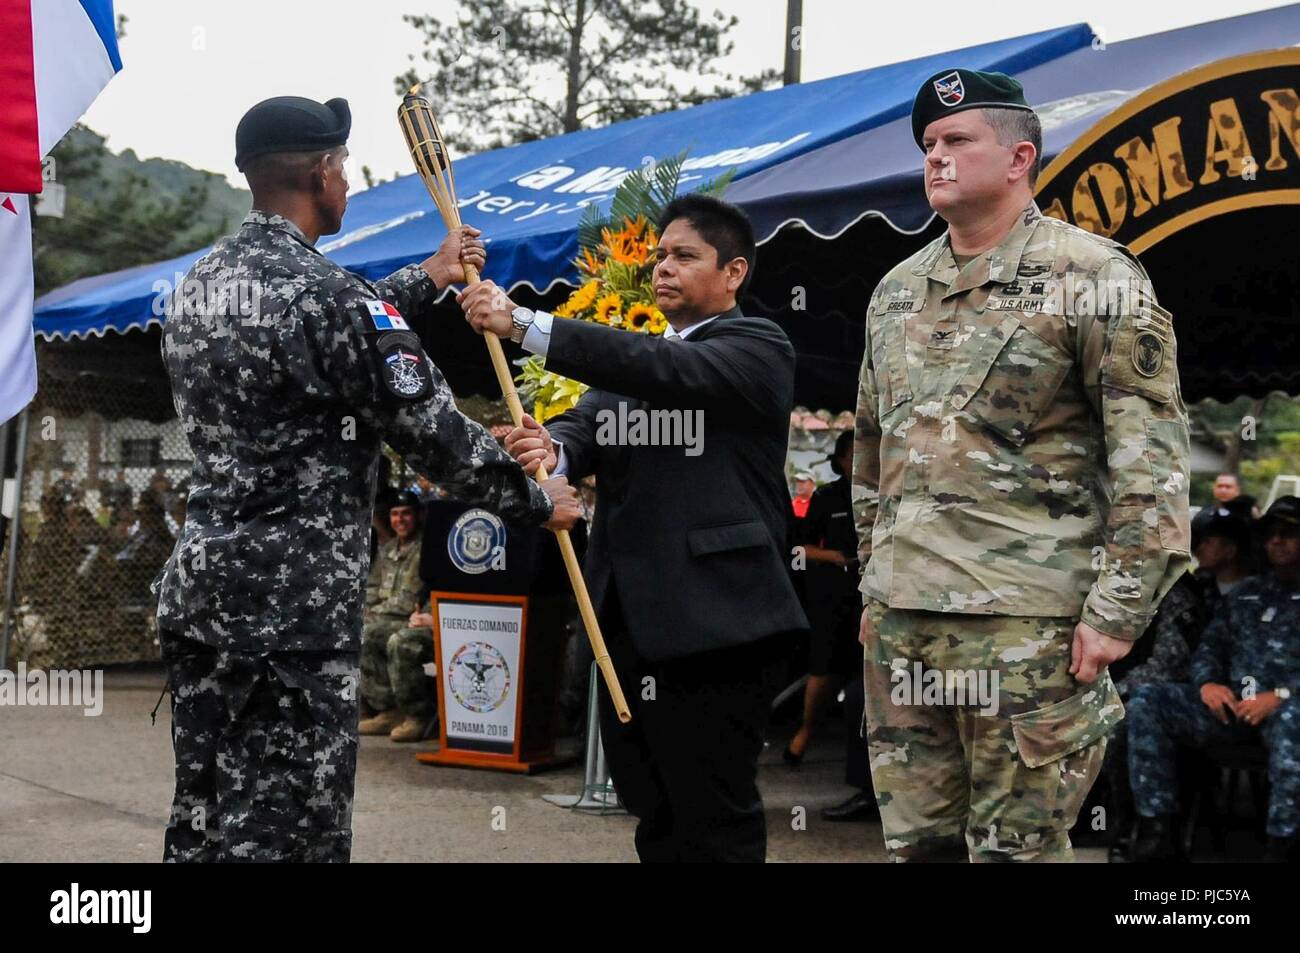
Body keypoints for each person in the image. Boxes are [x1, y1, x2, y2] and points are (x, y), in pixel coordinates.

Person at [154, 95, 579, 863]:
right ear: (321, 171)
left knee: (207, 813)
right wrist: (532, 498)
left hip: (202, 593)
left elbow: (318, 332)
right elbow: (433, 435)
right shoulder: (334, 301)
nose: (346, 181)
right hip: (293, 612)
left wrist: (426, 277)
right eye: (343, 166)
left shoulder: (196, 291)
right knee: (292, 831)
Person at [852, 69, 1191, 862]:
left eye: (956, 140)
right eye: (928, 145)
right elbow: (872, 453)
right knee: (920, 851)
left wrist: (1116, 613)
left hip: (1029, 628)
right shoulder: (896, 292)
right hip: (904, 628)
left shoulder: (1095, 276)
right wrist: (873, 584)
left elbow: (1153, 459)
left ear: (1018, 158)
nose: (935, 157)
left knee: (1017, 853)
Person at [458, 194, 808, 862]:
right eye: (657, 256)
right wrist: (551, 449)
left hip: (718, 626)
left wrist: (523, 324)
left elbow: (660, 369)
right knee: (655, 813)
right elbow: (586, 423)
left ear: (733, 272)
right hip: (627, 626)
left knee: (714, 816)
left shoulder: (756, 348)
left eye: (683, 255)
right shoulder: (640, 359)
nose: (662, 269)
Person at [1127, 496, 1300, 863]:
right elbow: (1209, 649)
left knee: (1293, 719)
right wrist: (1207, 683)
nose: (1277, 542)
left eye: (1289, 534)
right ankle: (1159, 834)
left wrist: (1282, 695)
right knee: (1149, 702)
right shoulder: (1246, 595)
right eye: (1271, 535)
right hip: (1234, 707)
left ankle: (1282, 845)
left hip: (1286, 710)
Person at [785, 432, 860, 765]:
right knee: (825, 669)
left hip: (876, 596)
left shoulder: (890, 494)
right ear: (841, 460)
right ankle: (805, 733)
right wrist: (835, 557)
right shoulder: (827, 497)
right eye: (855, 455)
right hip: (836, 598)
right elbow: (799, 549)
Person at [359, 491, 436, 742]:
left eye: (406, 514)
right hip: (387, 617)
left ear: (418, 516)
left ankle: (417, 715)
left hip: (417, 620)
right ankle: (384, 709)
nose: (400, 520)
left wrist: (372, 613)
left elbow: (407, 601)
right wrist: (362, 610)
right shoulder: (388, 549)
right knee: (358, 630)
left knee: (392, 639)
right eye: (394, 514)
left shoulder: (428, 550)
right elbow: (371, 588)